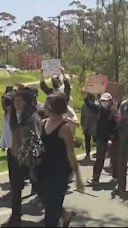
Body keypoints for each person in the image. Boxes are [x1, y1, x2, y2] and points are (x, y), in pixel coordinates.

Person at [39, 93, 84, 227]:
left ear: (53, 107)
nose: (44, 106)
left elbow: (71, 154)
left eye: (47, 104)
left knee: (51, 211)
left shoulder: (65, 128)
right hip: (44, 169)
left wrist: (78, 178)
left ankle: (58, 219)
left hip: (60, 172)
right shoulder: (43, 123)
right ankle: (65, 214)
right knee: (49, 201)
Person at [2, 90, 40, 227]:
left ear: (27, 102)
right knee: (16, 188)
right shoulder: (11, 115)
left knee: (40, 188)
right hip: (14, 156)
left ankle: (62, 212)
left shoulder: (32, 117)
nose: (16, 104)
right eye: (15, 101)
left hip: (28, 157)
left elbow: (36, 138)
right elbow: (7, 131)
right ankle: (15, 216)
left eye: (20, 101)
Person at [83, 92, 118, 184]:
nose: (104, 103)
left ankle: (116, 176)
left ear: (110, 101)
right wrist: (86, 97)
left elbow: (116, 127)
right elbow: (90, 105)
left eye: (106, 101)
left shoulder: (114, 112)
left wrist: (111, 138)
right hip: (101, 138)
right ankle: (95, 178)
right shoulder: (99, 109)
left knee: (114, 159)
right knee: (99, 159)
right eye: (102, 101)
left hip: (112, 139)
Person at [80, 92, 98, 160]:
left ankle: (97, 153)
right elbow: (82, 116)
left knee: (96, 141)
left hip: (94, 126)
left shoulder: (96, 105)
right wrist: (82, 124)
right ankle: (87, 154)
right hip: (87, 126)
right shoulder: (84, 105)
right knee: (87, 141)